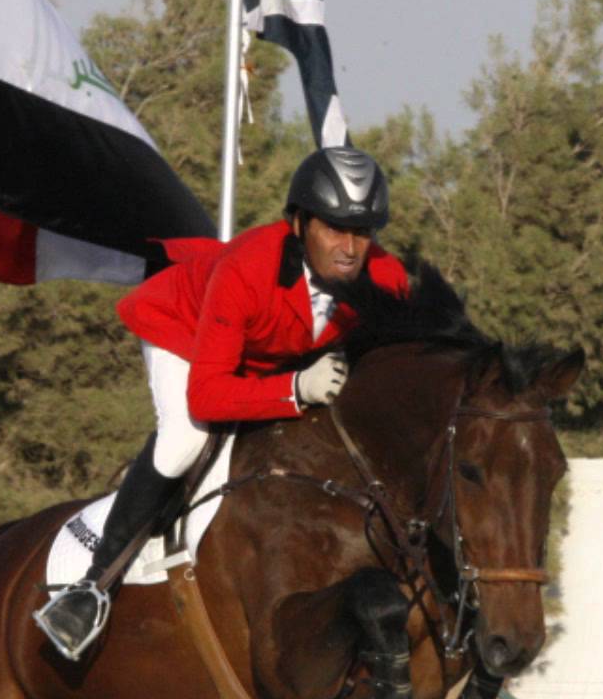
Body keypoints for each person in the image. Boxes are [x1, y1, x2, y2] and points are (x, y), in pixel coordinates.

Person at [34, 146, 411, 659]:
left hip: (270, 354)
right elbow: (209, 395)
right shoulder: (247, 268)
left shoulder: (386, 278)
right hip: (184, 334)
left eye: (363, 232)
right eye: (334, 228)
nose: (349, 247)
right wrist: (296, 389)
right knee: (185, 439)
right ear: (298, 224)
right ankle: (92, 584)